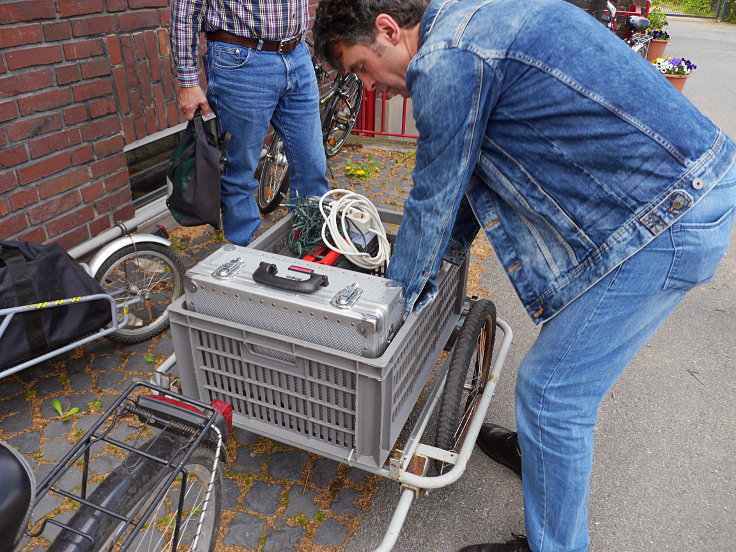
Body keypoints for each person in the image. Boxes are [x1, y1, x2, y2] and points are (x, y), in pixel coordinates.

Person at [312, 1, 736, 551]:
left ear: (389, 31)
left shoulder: (446, 58)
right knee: (563, 351)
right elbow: (465, 174)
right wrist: (444, 257)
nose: (369, 87)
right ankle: (543, 453)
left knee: (552, 394)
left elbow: (433, 194)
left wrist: (394, 302)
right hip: (676, 191)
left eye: (362, 67)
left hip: (667, 218)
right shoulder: (469, 22)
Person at [170, 0, 329, 246]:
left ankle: (309, 250)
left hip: (297, 55)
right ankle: (242, 259)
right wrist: (188, 81)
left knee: (312, 166)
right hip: (241, 61)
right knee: (239, 174)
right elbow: (185, 8)